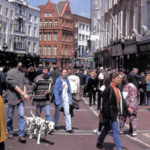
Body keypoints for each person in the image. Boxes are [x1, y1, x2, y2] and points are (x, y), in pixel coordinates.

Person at [96, 72, 133, 150]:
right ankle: (119, 148)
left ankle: (99, 142)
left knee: (106, 128)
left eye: (120, 78)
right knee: (116, 131)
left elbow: (122, 100)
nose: (119, 79)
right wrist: (106, 114)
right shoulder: (108, 88)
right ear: (113, 79)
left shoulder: (118, 88)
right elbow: (105, 103)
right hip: (109, 113)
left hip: (114, 112)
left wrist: (127, 108)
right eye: (118, 78)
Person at [6, 60, 30, 143]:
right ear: (16, 63)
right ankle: (9, 131)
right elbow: (14, 86)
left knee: (22, 115)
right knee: (10, 116)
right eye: (20, 61)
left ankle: (21, 134)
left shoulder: (22, 73)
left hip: (20, 98)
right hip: (12, 97)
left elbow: (24, 84)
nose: (21, 63)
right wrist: (23, 94)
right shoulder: (10, 73)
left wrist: (25, 94)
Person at [54, 68, 73, 133]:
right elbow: (55, 91)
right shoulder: (58, 80)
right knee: (57, 113)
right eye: (64, 72)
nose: (65, 73)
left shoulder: (67, 80)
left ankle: (68, 128)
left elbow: (69, 90)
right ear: (61, 73)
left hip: (66, 99)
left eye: (66, 72)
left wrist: (70, 99)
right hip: (59, 99)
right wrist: (57, 100)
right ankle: (55, 124)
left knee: (67, 113)